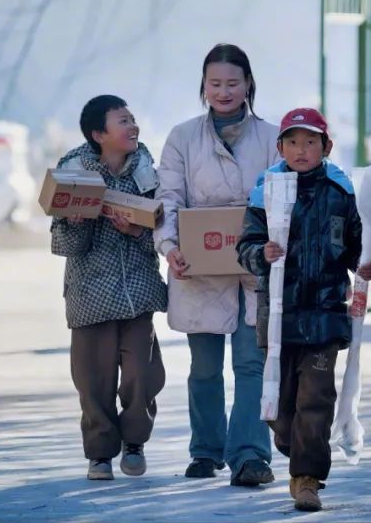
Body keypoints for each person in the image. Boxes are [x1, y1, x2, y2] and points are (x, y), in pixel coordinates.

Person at [236, 107, 371, 511]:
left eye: (311, 142)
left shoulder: (341, 191)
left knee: (315, 400)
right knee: (282, 412)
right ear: (280, 147)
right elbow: (244, 246)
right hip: (279, 318)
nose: (302, 150)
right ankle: (293, 446)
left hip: (325, 315)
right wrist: (259, 252)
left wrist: (369, 262)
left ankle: (307, 479)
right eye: (293, 142)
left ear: (326, 147)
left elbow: (362, 245)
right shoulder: (266, 189)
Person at [154, 43, 280, 486]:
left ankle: (249, 455)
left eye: (232, 82)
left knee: (251, 363)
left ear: (248, 84)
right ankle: (205, 449)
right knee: (204, 367)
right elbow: (168, 198)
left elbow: (283, 200)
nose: (224, 91)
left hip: (254, 269)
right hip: (199, 267)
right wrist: (170, 245)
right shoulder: (183, 137)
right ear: (203, 87)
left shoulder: (272, 138)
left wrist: (273, 244)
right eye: (215, 84)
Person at [50, 94, 168, 481]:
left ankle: (134, 441)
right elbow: (63, 247)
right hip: (90, 297)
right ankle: (99, 454)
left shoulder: (147, 173)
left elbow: (162, 228)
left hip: (137, 291)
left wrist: (136, 229)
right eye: (123, 120)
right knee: (93, 379)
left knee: (142, 373)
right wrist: (78, 221)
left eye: (133, 118)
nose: (133, 125)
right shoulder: (72, 176)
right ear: (99, 134)